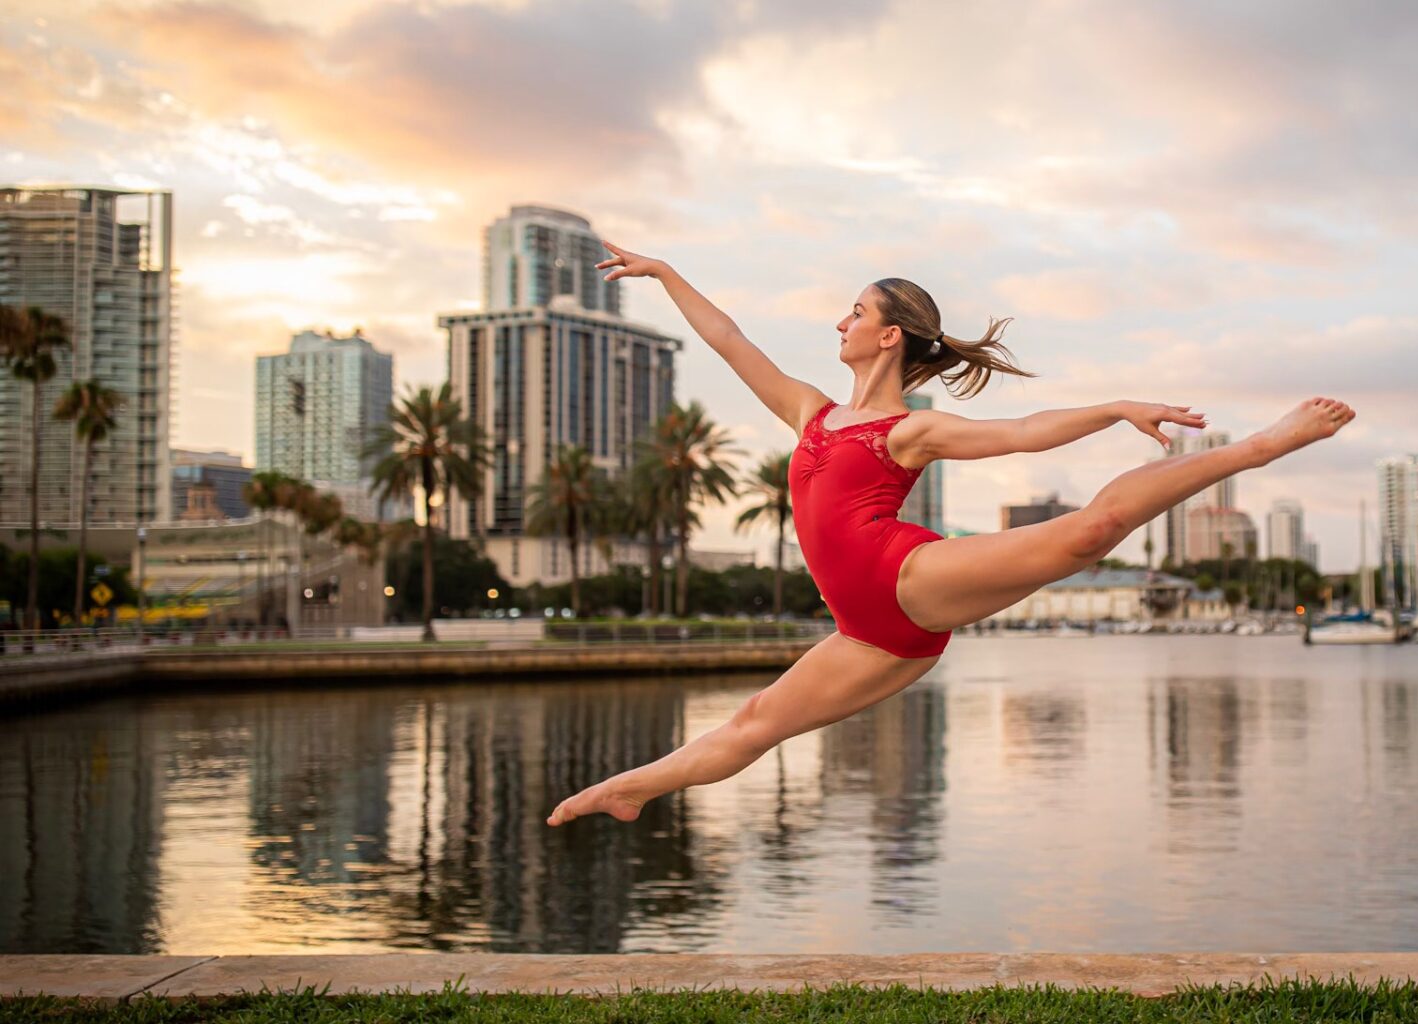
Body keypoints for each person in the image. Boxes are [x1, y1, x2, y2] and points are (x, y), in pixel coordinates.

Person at [547, 243, 1354, 826]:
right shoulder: (810, 411)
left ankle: (1260, 446)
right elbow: (728, 339)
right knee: (755, 723)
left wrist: (1115, 408)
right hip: (868, 636)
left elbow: (1026, 431)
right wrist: (665, 273)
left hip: (906, 578)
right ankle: (633, 789)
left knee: (1091, 532)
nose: (840, 321)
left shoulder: (910, 430)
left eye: (855, 311)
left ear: (888, 334)